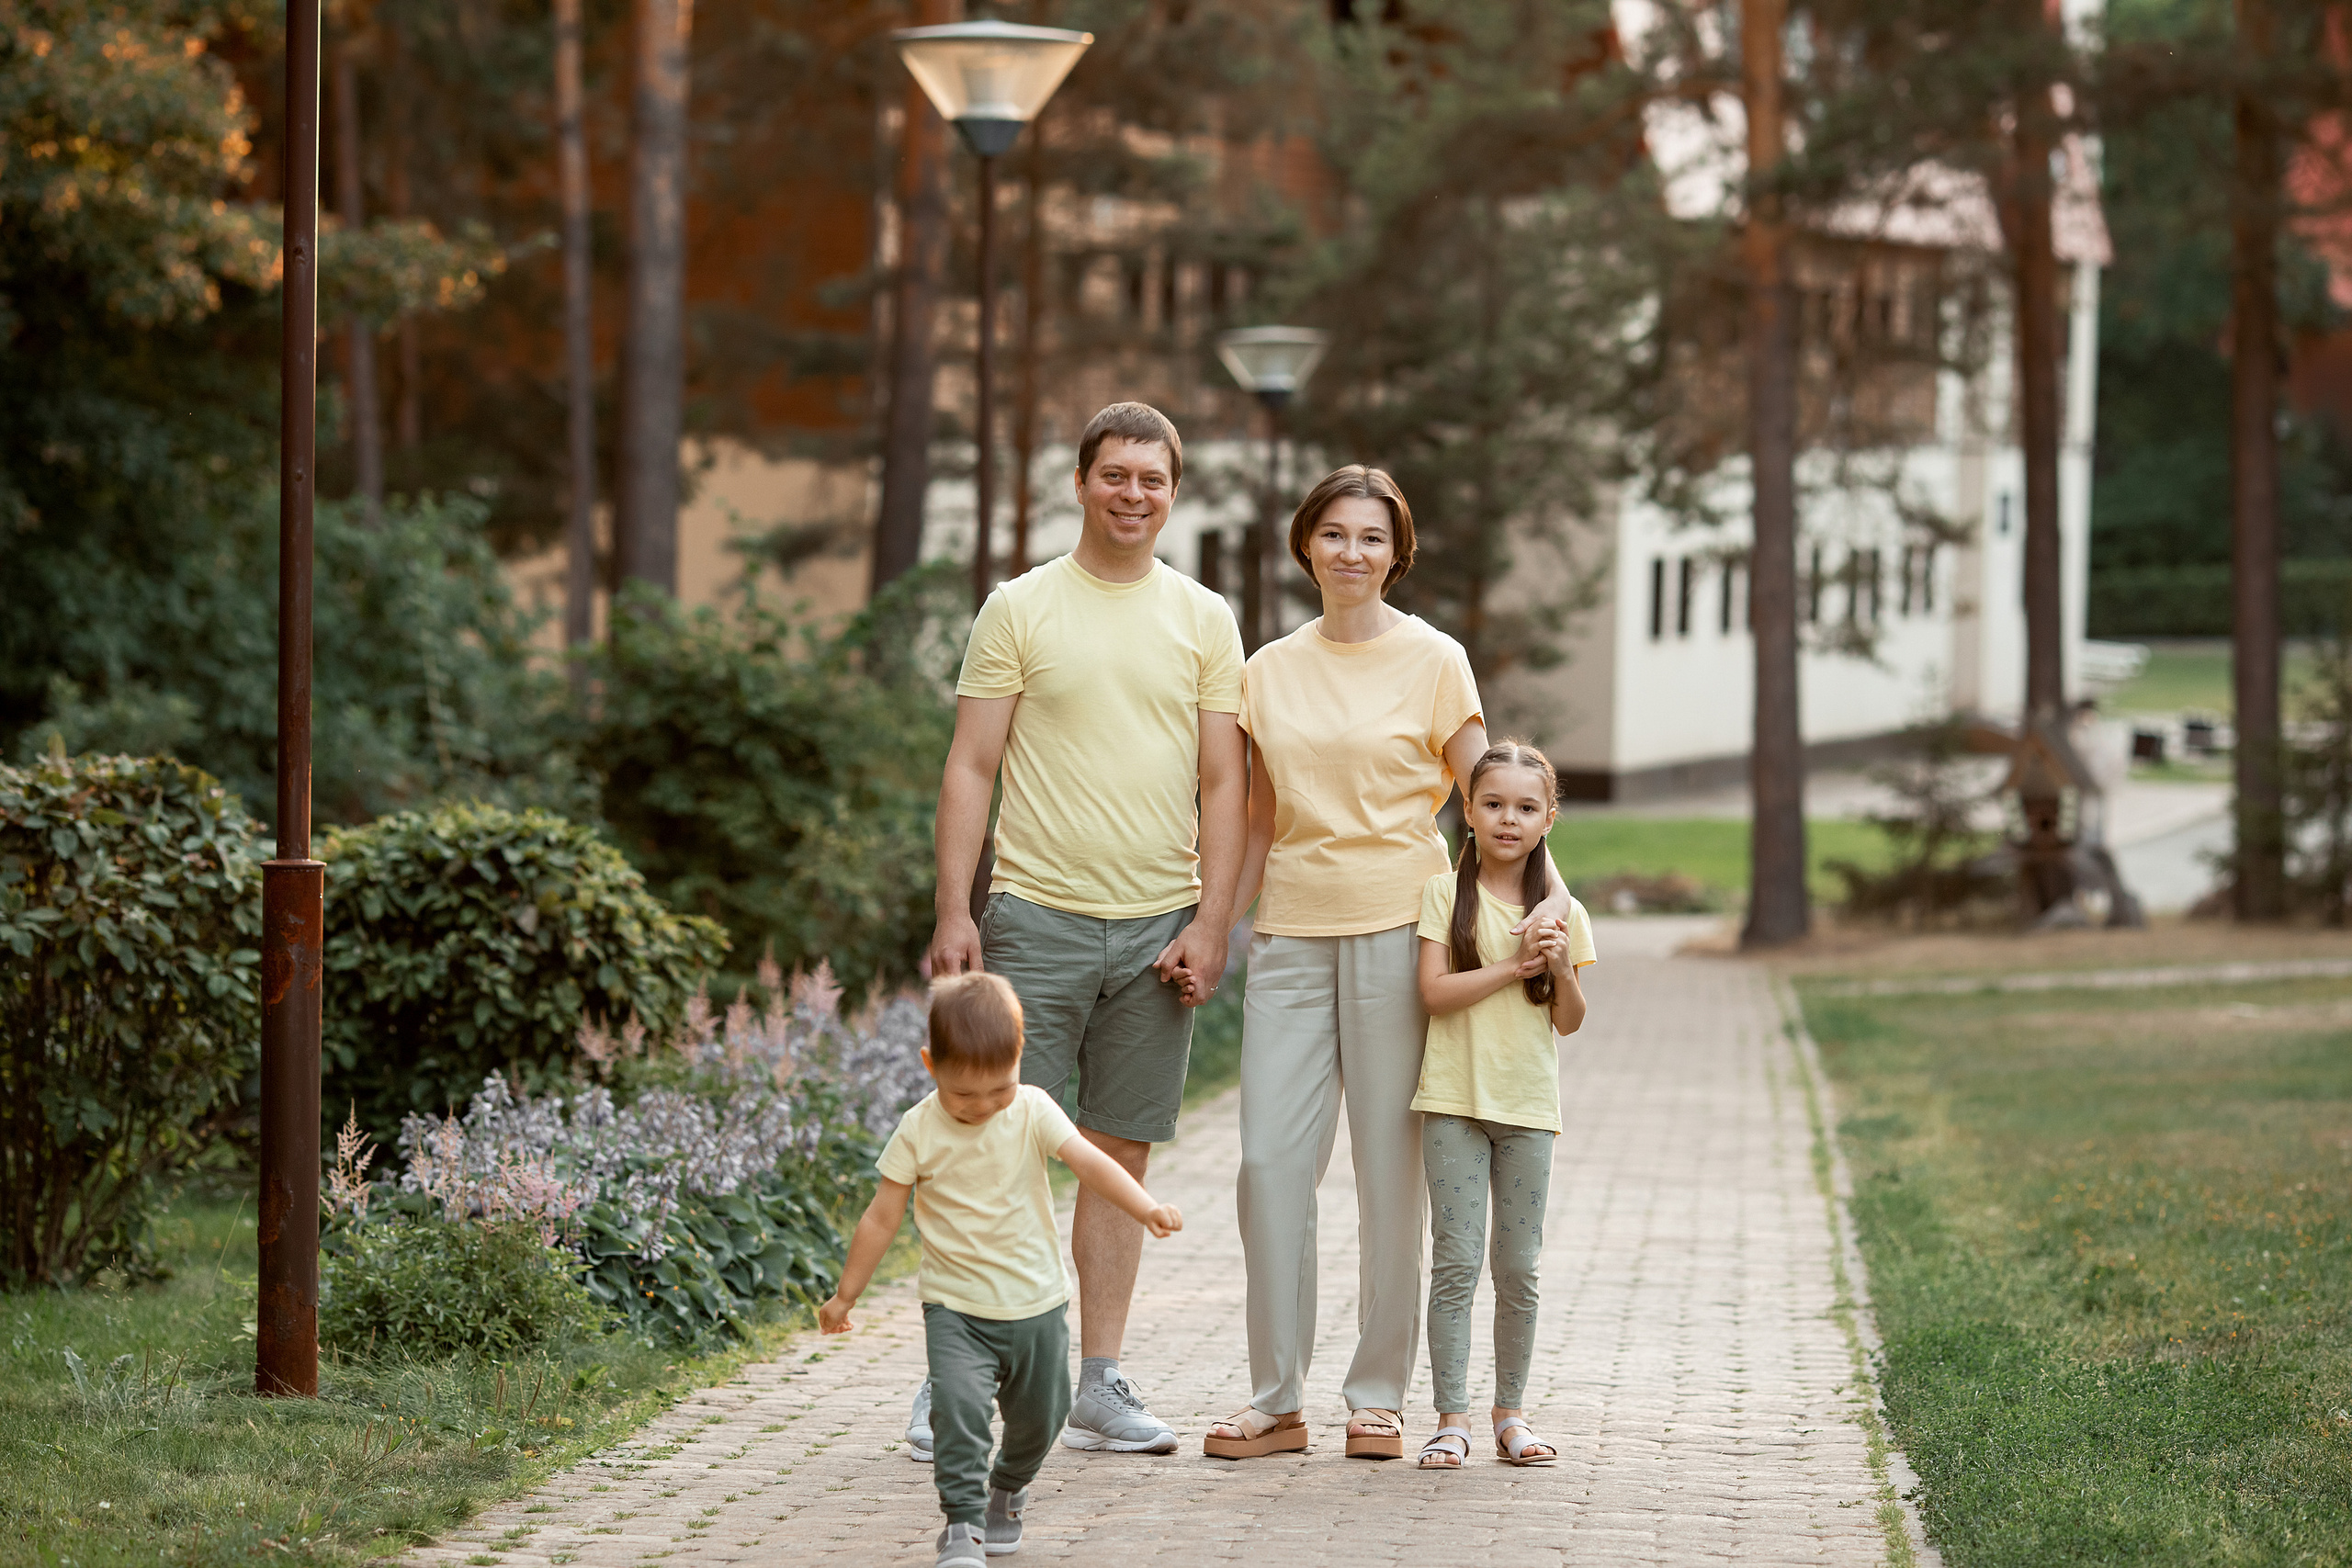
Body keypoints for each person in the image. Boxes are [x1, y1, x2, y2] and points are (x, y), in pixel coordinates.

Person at [1204, 466, 1577, 1462]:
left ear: (1395, 552)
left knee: (1385, 1174)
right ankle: (1275, 1397)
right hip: (1287, 937)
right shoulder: (1266, 669)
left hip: (1396, 935)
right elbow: (1260, 814)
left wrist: (1548, 906)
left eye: (1371, 537)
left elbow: (1497, 800)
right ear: (1305, 546)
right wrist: (1213, 927)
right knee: (1267, 1168)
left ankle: (1377, 1397)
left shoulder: (1436, 659)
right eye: (1333, 534)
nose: (1351, 553)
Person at [919, 401, 1246, 1459]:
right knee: (991, 1150)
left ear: (1173, 492)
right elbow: (971, 764)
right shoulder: (1019, 608)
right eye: (1115, 475)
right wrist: (955, 910)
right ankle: (958, 1377)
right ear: (1081, 482)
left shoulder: (1203, 618)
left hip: (1157, 931)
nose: (1133, 494)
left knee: (1119, 1158)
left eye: (1152, 479)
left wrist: (1212, 921)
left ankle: (1096, 1384)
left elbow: (1222, 780)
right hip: (1034, 920)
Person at [820, 974, 1183, 1568]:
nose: (985, 1105)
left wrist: (1145, 1207)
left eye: (1000, 1088)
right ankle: (961, 1526)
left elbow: (1093, 1162)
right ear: (929, 1064)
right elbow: (881, 1217)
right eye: (965, 1095)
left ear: (1019, 1059)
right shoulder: (919, 1127)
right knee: (959, 1416)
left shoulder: (1033, 1108)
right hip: (955, 1308)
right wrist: (845, 1295)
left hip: (1037, 1305)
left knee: (1041, 1417)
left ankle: (1007, 1490)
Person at [1408, 740, 1592, 1472]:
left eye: (1524, 807)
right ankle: (1450, 1416)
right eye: (1492, 804)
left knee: (1518, 1267)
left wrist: (1553, 968)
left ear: (1548, 817)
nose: (1507, 819)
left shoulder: (1561, 911)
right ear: (1469, 810)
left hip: (1527, 1109)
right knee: (1455, 1263)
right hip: (1453, 1101)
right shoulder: (1442, 893)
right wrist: (1512, 966)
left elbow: (1571, 1018)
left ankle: (1509, 1412)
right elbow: (1432, 993)